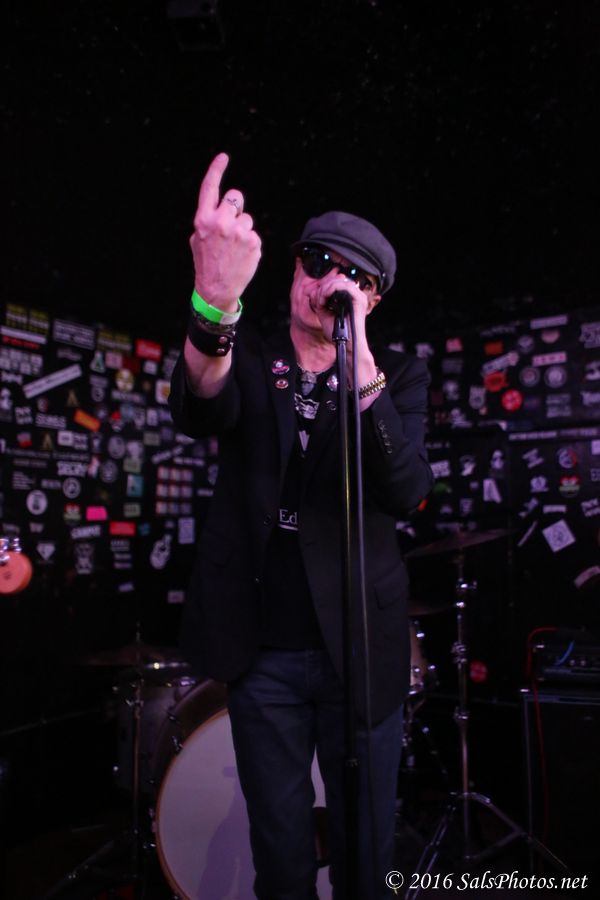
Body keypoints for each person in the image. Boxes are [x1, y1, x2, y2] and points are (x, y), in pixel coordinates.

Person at [169, 152, 433, 900]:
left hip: (362, 650)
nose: (329, 282)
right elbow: (200, 402)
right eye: (317, 262)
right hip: (264, 652)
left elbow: (408, 488)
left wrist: (360, 368)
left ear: (372, 299)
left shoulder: (398, 376)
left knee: (366, 853)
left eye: (354, 276)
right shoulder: (251, 354)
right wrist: (214, 303)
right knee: (280, 855)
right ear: (292, 270)